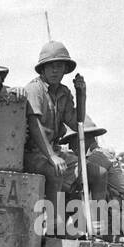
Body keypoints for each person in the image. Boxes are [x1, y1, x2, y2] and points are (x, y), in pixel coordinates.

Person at [23, 40, 83, 199]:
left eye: (60, 66)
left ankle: (80, 218)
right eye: (51, 66)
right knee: (55, 171)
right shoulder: (35, 89)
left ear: (65, 69)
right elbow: (35, 126)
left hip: (53, 151)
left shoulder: (64, 92)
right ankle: (53, 222)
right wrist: (52, 156)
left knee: (90, 170)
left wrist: (81, 94)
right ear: (43, 68)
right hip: (32, 153)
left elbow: (77, 123)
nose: (55, 70)